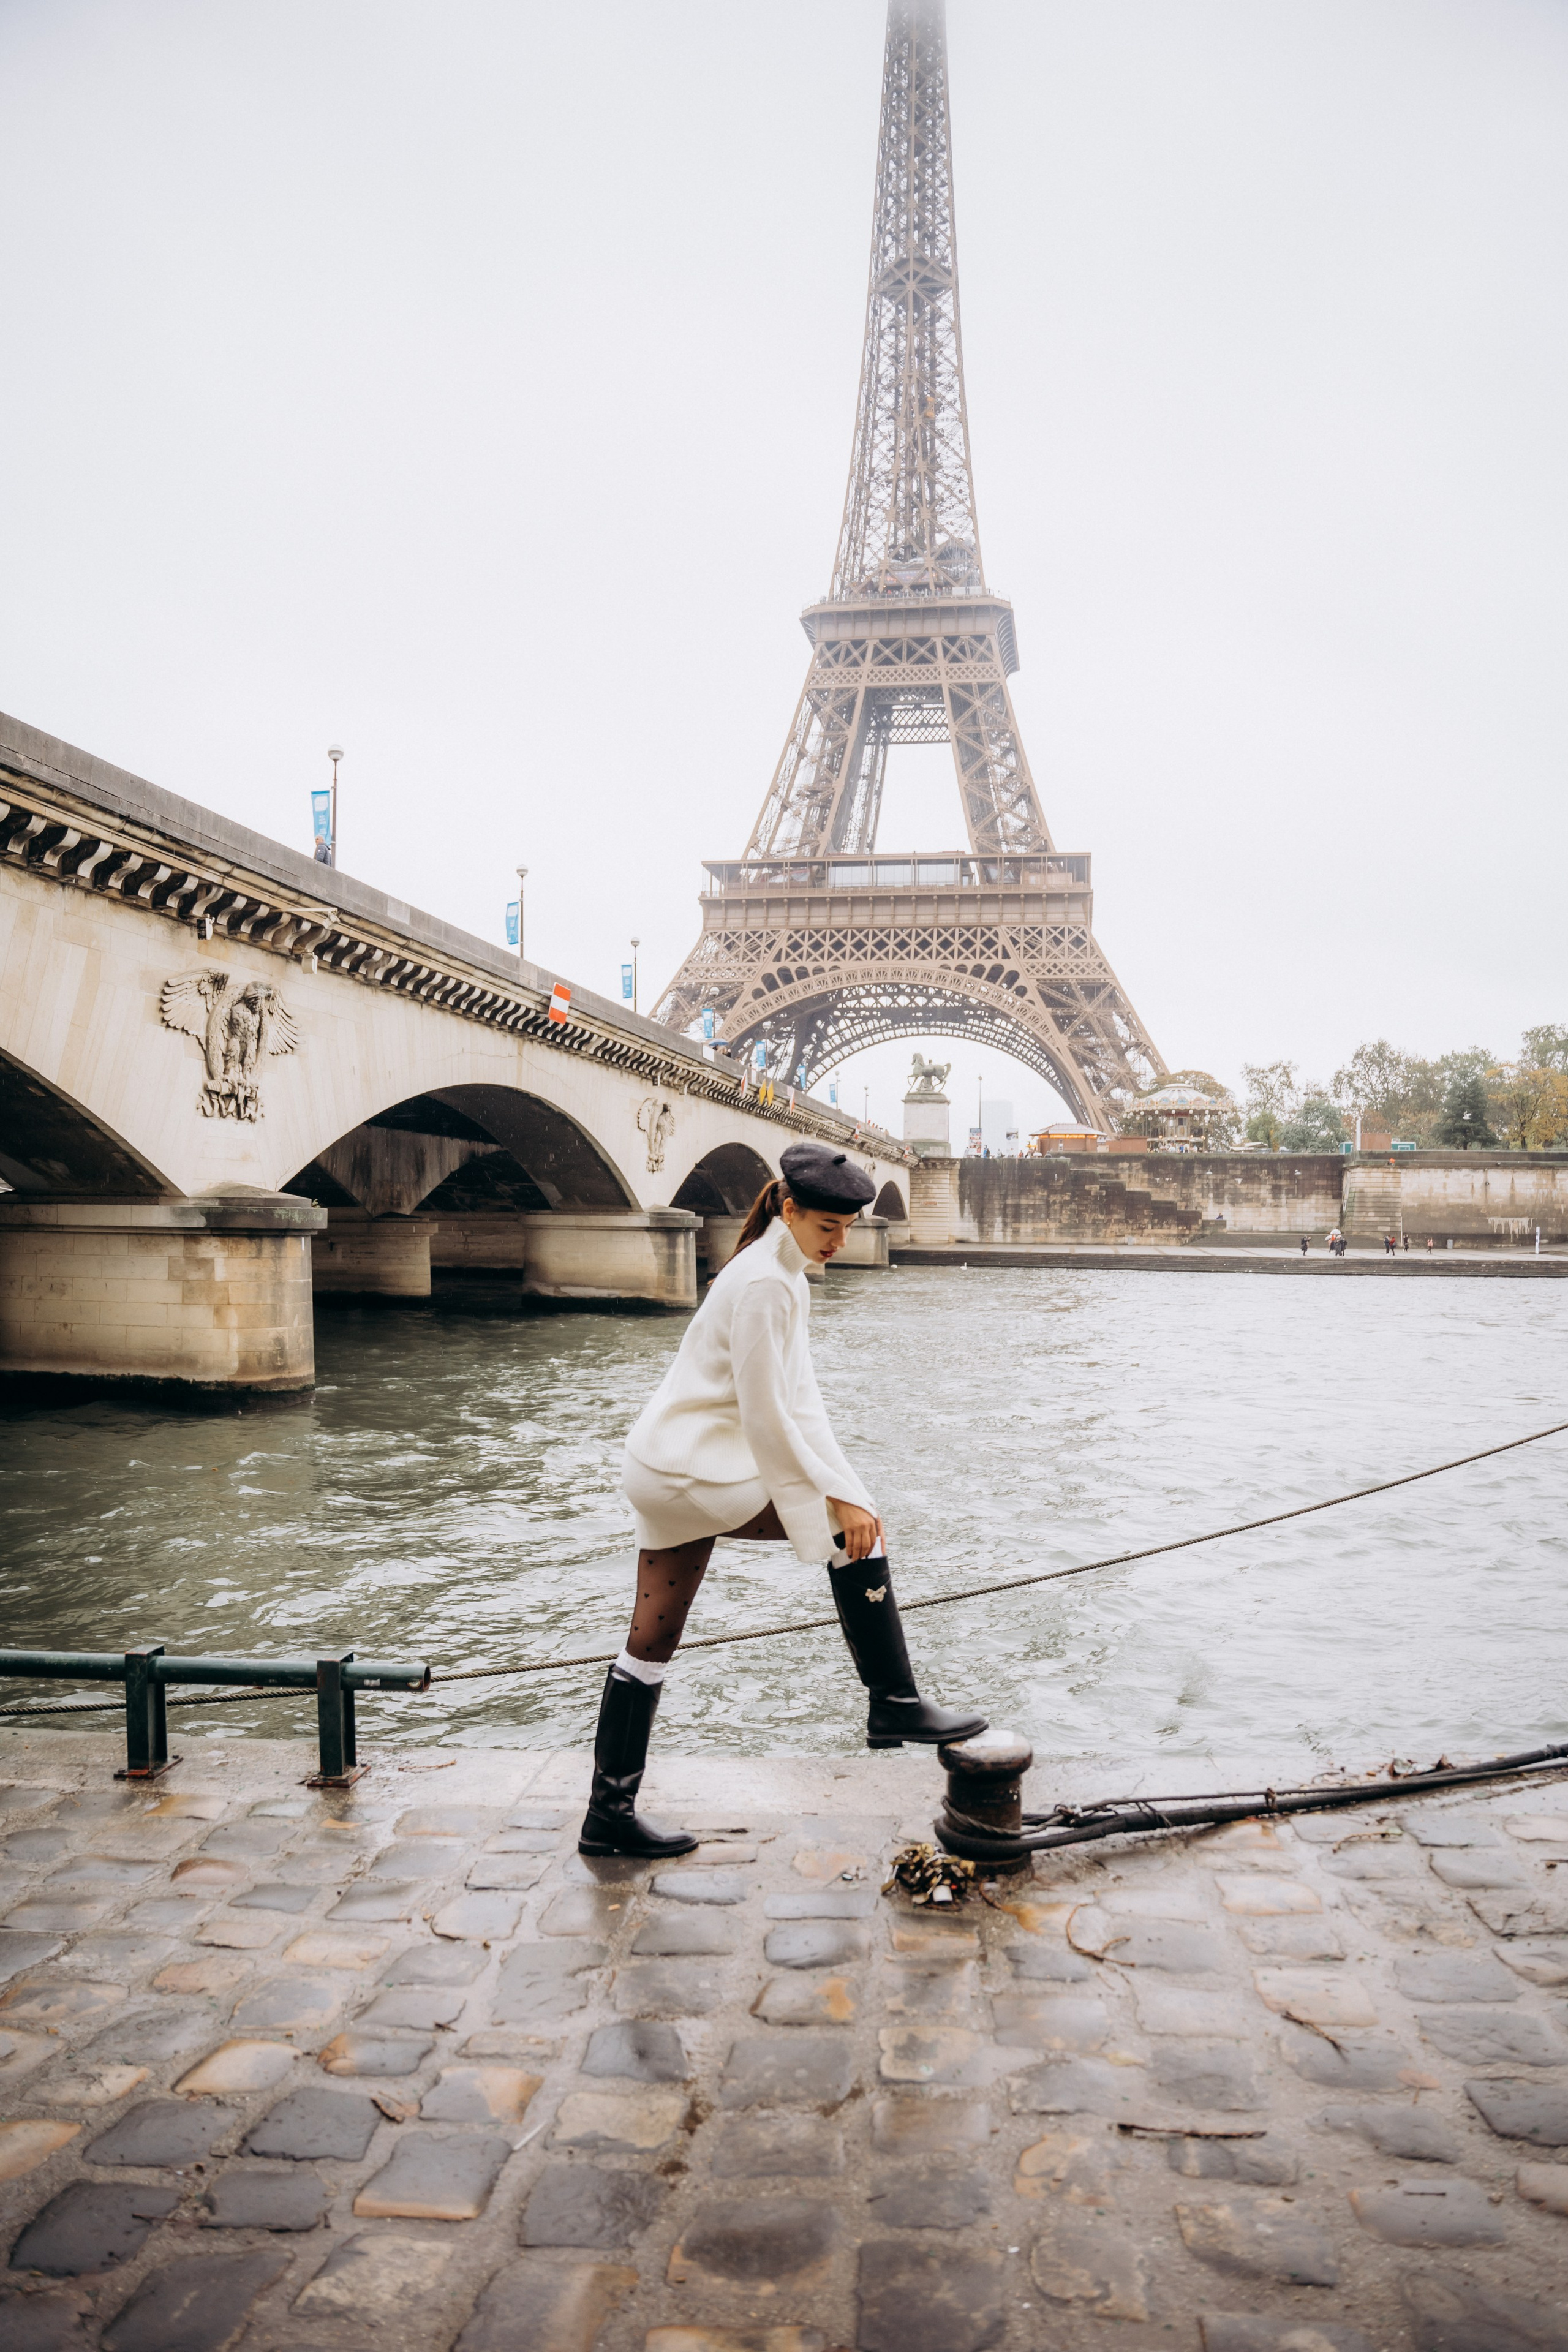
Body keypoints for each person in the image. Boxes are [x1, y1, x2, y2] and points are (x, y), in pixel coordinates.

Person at [579, 1140, 988, 1858]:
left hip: (666, 1462)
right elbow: (771, 1418)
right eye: (828, 1227)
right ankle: (893, 1701)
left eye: (848, 1229)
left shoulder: (774, 1269)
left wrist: (849, 1490)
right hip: (692, 1470)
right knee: (856, 1537)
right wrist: (843, 1504)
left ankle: (607, 1816)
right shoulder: (768, 1282)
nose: (839, 1242)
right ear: (790, 1210)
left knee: (652, 1640)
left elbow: (801, 1406)